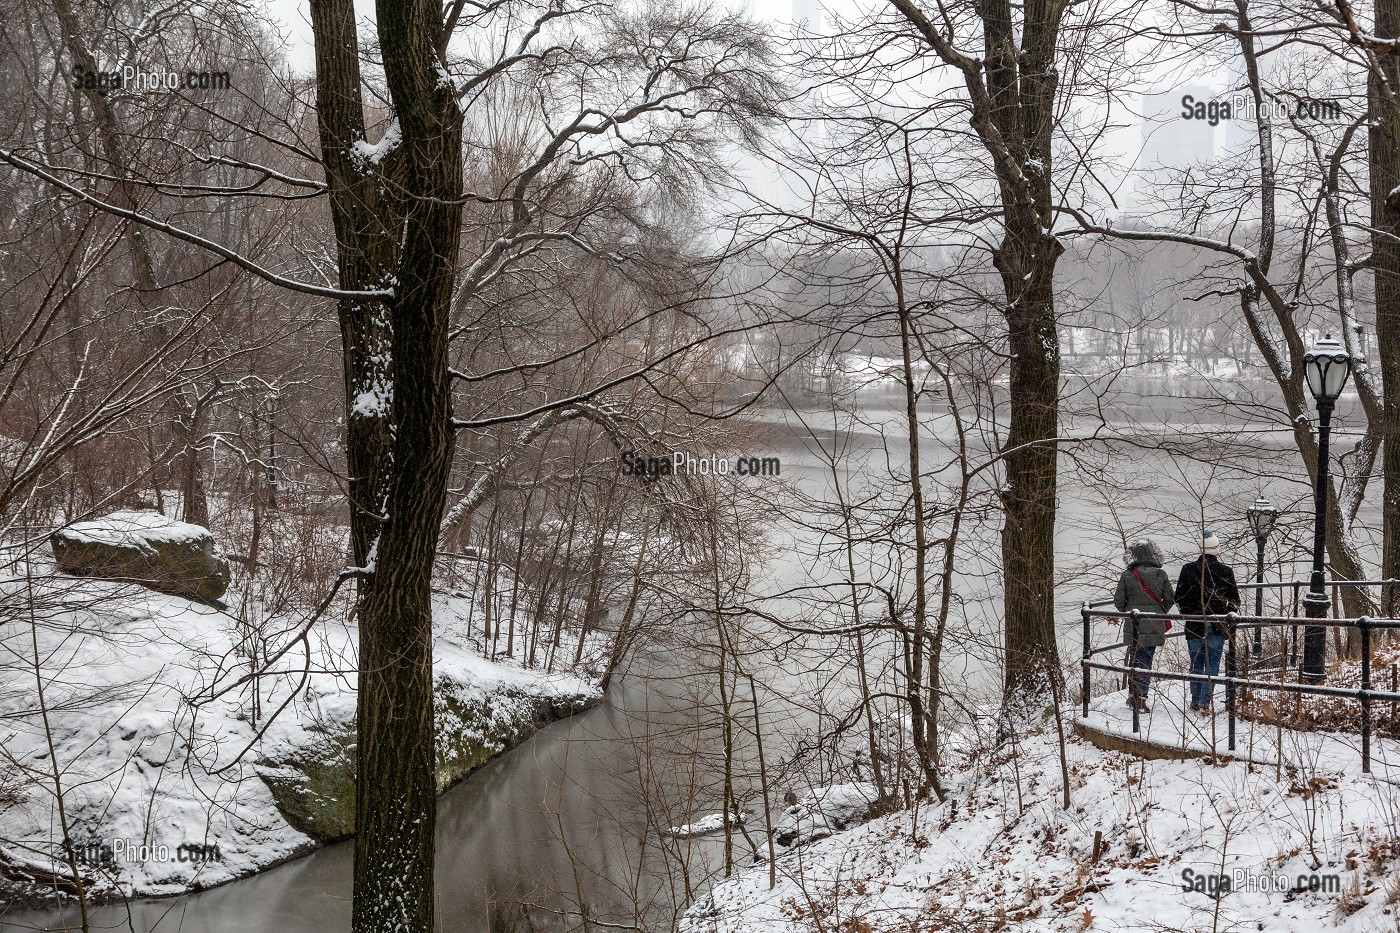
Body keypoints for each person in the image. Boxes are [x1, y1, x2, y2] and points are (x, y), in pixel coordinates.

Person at [1175, 530, 1241, 715]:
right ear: (1217, 550)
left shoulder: (1188, 569)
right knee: (1212, 664)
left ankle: (1195, 700)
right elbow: (1235, 600)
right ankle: (1205, 702)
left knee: (1196, 663)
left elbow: (1179, 596)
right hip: (1218, 624)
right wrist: (1228, 614)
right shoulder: (1225, 572)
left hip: (1195, 622)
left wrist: (1189, 613)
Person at [1114, 540, 1175, 713]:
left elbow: (1118, 600)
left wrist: (1128, 611)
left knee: (1134, 657)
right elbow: (1170, 598)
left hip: (1134, 623)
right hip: (1154, 623)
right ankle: (1141, 698)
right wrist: (1159, 610)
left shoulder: (1127, 575)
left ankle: (1133, 695)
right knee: (1146, 659)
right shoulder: (1160, 574)